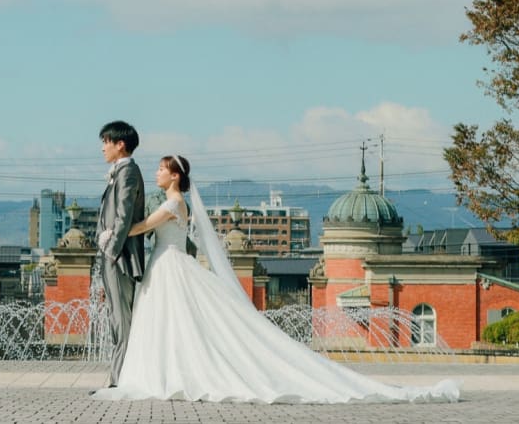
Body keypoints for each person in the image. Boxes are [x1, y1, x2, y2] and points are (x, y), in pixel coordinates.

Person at [93, 155, 461, 405]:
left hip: (169, 264)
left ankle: (169, 374)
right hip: (167, 264)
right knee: (171, 322)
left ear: (175, 175)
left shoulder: (173, 203)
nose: (156, 173)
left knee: (172, 320)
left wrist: (113, 232)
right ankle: (166, 371)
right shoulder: (173, 201)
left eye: (161, 169)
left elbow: (142, 226)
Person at [94, 120, 146, 389]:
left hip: (121, 257)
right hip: (113, 256)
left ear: (120, 144)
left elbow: (124, 216)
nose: (103, 148)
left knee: (122, 321)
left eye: (106, 142)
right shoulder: (120, 171)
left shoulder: (128, 173)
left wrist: (112, 250)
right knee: (116, 317)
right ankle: (118, 378)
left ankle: (120, 381)